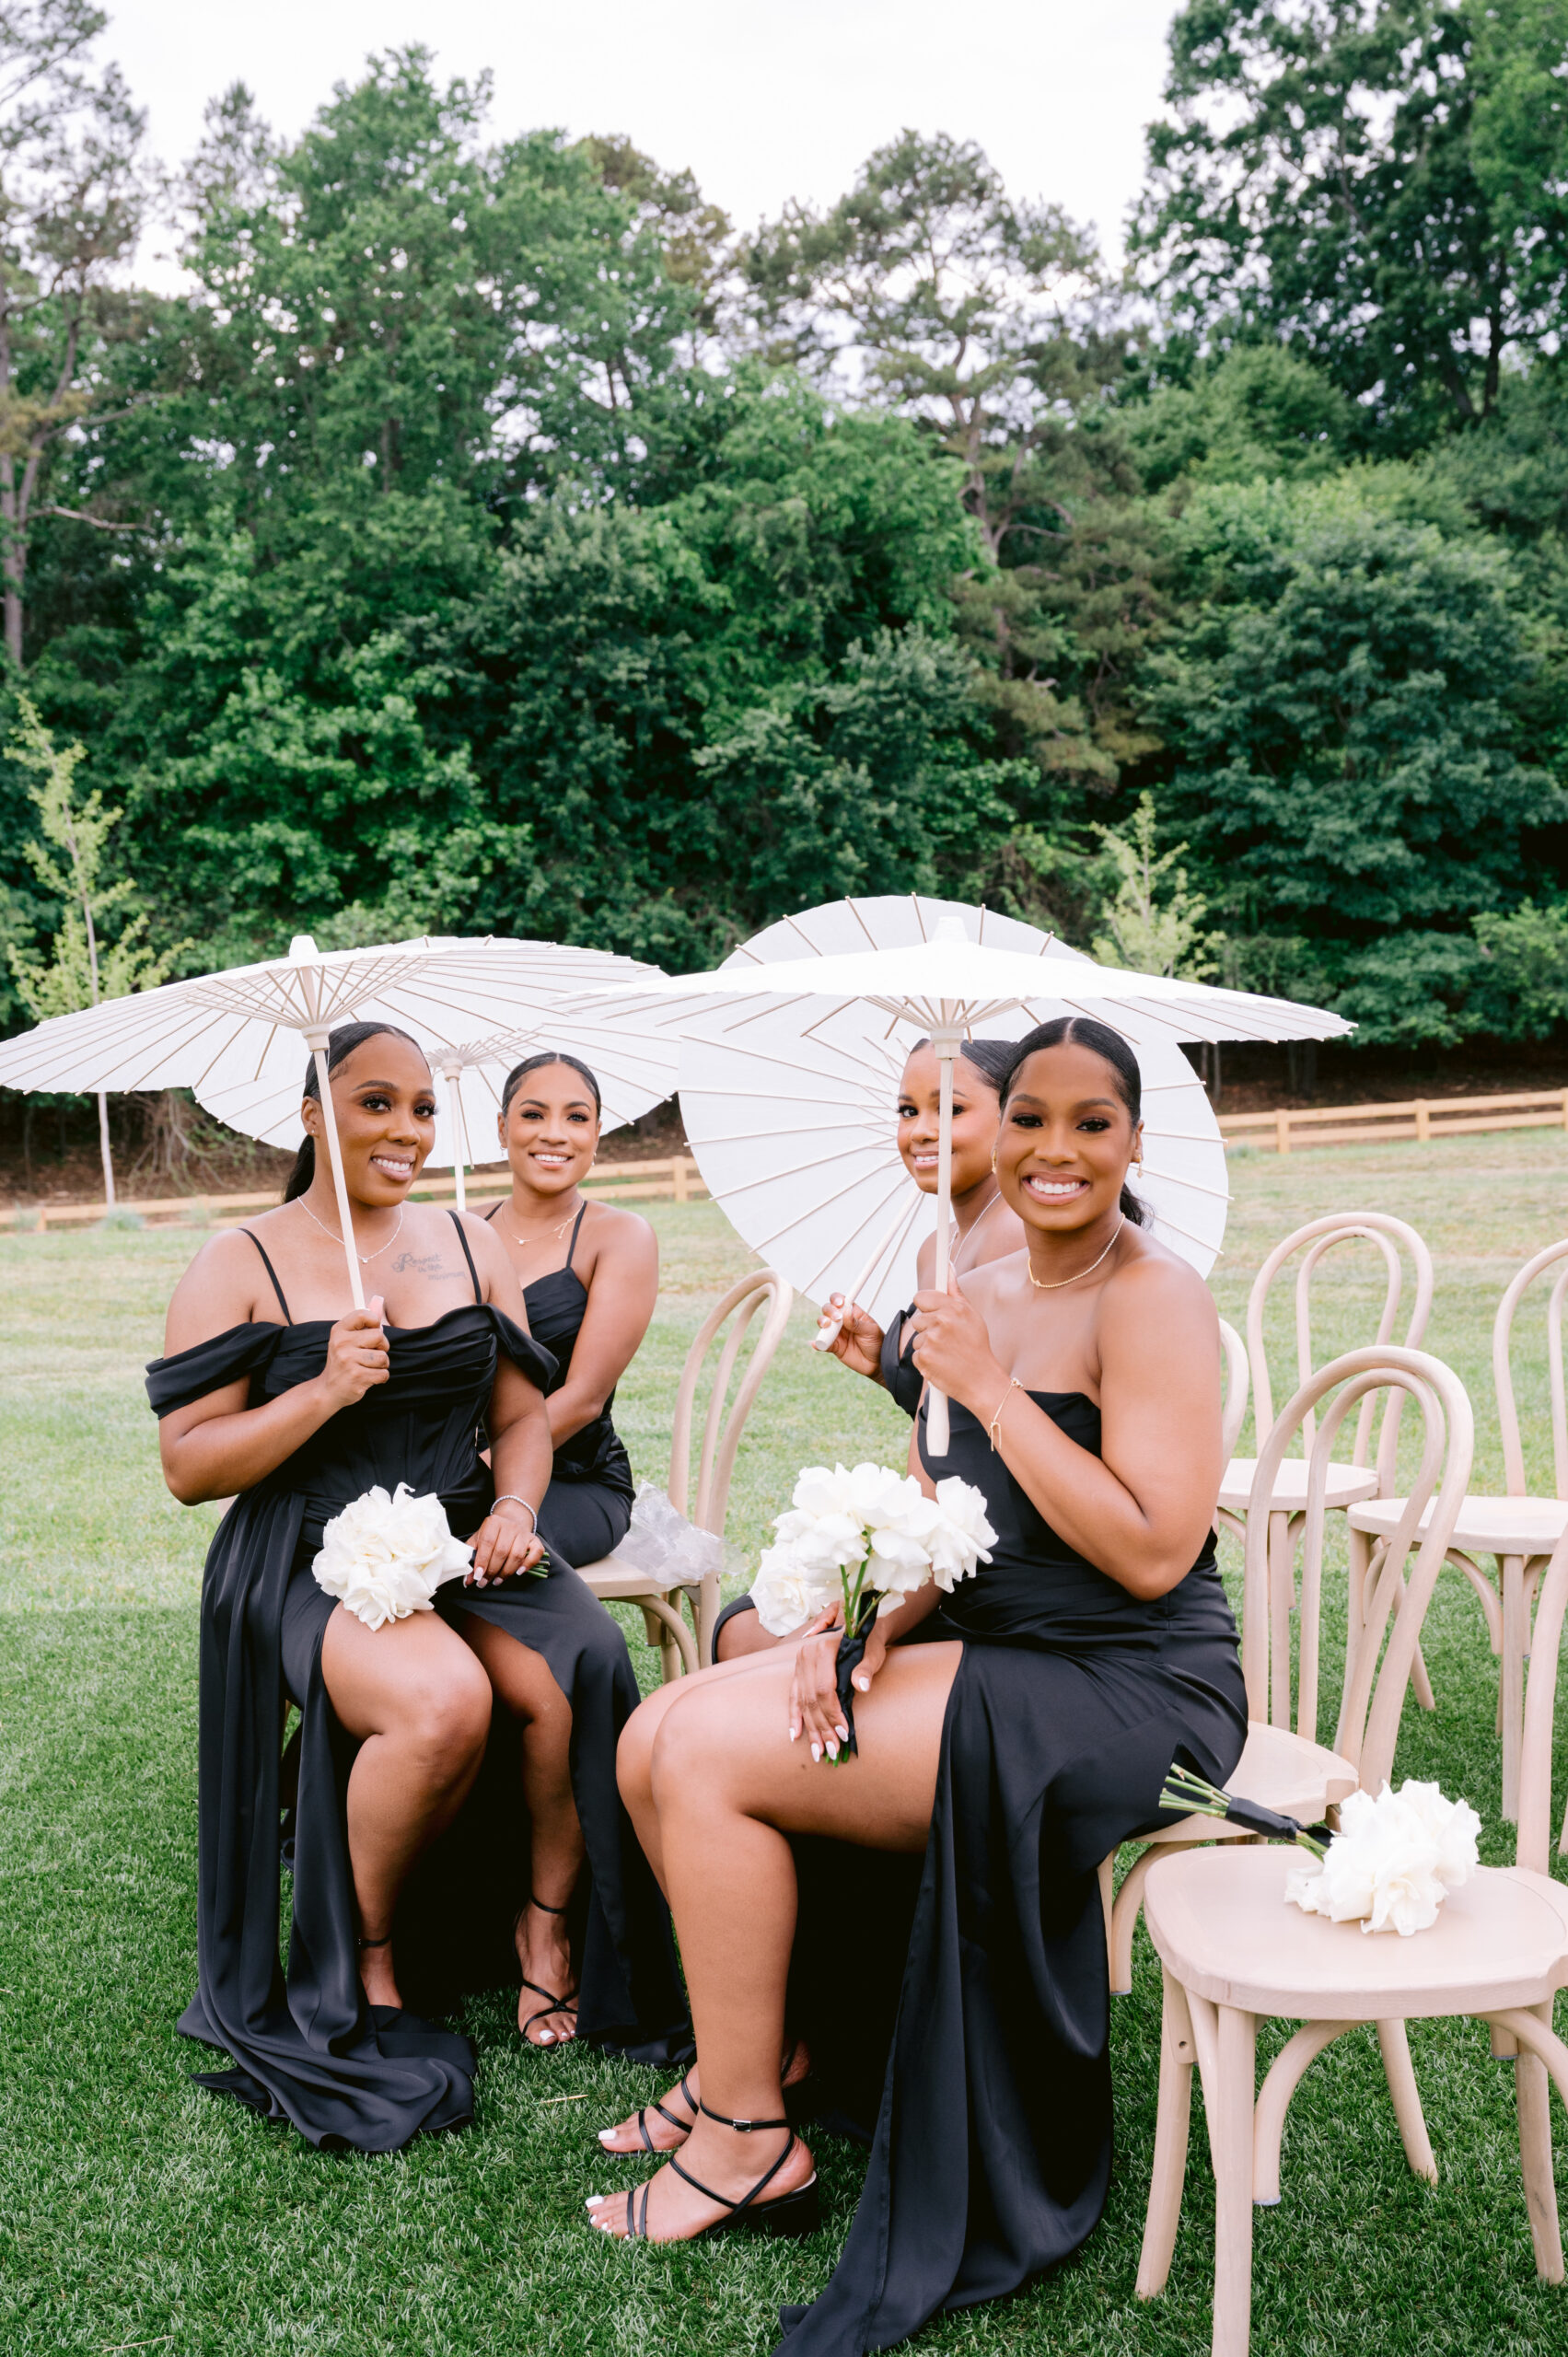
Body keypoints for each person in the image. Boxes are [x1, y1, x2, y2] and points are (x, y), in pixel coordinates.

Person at [585, 1016, 1247, 2357]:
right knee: (657, 1731)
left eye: (1090, 1122)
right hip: (997, 1647)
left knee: (706, 1755)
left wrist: (989, 1390)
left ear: (1133, 1141)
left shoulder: (1152, 1297)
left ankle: (746, 2139)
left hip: (1129, 1686)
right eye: (1030, 1118)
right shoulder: (969, 1289)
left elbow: (1149, 1549)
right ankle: (758, 2056)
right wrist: (863, 1623)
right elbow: (945, 1516)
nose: (1053, 1148)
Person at [147, 1022, 685, 2155]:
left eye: (422, 1108)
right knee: (444, 1702)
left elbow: (522, 1414)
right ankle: (366, 1951)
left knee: (584, 1661)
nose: (404, 1129)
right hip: (304, 1546)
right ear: (313, 1116)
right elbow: (189, 1465)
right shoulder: (238, 1260)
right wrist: (318, 1393)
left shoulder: (466, 1240)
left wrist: (516, 1509)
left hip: (461, 1523)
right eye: (375, 1102)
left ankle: (546, 1928)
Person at [712, 1033, 1024, 1666]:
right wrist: (887, 1367)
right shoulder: (937, 1247)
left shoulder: (1019, 1240)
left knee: (761, 1644)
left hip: (992, 1545)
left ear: (1015, 1119)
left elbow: (1012, 1417)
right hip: (944, 1505)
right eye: (908, 1111)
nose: (920, 1130)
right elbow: (955, 1415)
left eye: (950, 1109)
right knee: (742, 1626)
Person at [477, 1051, 656, 1570]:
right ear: (502, 1127)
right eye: (533, 1114)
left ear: (596, 1134)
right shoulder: (458, 1228)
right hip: (449, 1470)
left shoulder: (620, 1236)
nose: (554, 1134)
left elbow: (583, 1400)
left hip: (573, 1480)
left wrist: (470, 1473)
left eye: (576, 1117)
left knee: (450, 1552)